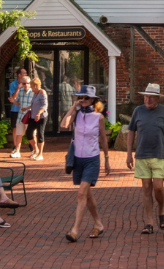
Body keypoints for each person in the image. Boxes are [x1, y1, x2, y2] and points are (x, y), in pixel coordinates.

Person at [126, 83, 164, 235]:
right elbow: (131, 132)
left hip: (160, 154)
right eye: (146, 97)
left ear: (157, 99)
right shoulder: (138, 111)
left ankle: (161, 210)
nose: (147, 100)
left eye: (151, 98)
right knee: (146, 188)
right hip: (142, 154)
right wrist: (129, 154)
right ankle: (149, 222)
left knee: (158, 187)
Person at [63, 85, 110, 242]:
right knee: (87, 195)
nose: (83, 100)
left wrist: (107, 159)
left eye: (86, 98)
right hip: (77, 159)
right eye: (80, 97)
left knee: (81, 193)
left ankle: (75, 230)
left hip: (92, 159)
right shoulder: (76, 114)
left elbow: (103, 139)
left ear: (93, 100)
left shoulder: (99, 117)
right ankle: (98, 224)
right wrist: (73, 108)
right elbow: (63, 125)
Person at [11, 75, 33, 158]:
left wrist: (27, 108)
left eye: (27, 83)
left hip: (29, 116)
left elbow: (35, 104)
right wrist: (13, 101)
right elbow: (18, 102)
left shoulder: (33, 92)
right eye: (24, 83)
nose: (26, 85)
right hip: (21, 115)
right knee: (19, 134)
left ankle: (34, 150)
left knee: (32, 134)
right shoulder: (20, 91)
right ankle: (17, 151)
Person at [7, 68, 28, 155]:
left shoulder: (27, 83)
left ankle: (32, 146)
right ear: (19, 75)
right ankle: (16, 147)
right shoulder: (13, 84)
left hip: (25, 109)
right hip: (15, 109)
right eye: (24, 73)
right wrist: (18, 88)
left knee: (28, 127)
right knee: (15, 127)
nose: (26, 74)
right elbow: (12, 97)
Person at [27, 77, 48, 161]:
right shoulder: (35, 93)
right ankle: (36, 150)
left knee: (40, 134)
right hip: (33, 116)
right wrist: (27, 108)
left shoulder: (42, 92)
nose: (31, 88)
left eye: (31, 86)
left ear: (35, 86)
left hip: (41, 117)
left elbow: (44, 105)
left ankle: (40, 154)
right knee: (29, 133)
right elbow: (34, 104)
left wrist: (39, 113)